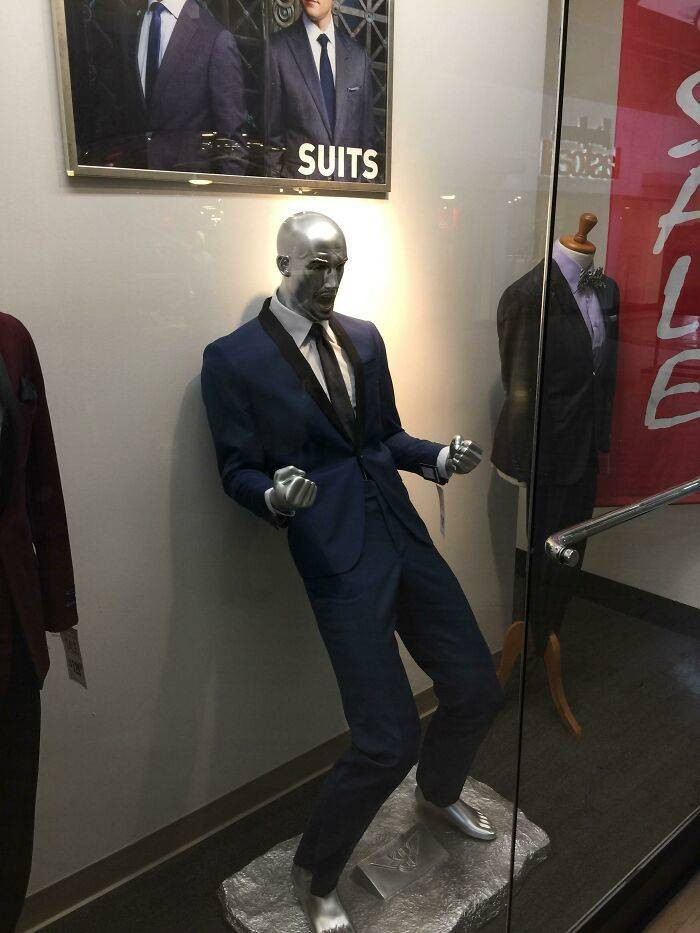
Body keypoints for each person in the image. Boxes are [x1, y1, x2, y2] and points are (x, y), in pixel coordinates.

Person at [201, 212, 503, 933]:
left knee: (475, 685)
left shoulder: (363, 336)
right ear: (283, 263)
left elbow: (382, 436)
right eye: (318, 265)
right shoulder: (233, 359)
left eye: (340, 264)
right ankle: (315, 870)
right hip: (337, 555)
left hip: (402, 532)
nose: (332, 279)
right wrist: (273, 497)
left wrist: (435, 457)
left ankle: (437, 793)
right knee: (387, 737)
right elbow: (236, 469)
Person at [0, 313, 78, 933]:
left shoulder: (11, 339)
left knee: (10, 817)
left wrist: (58, 608)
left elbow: (39, 480)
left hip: (11, 626)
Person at [92, 0, 248, 174]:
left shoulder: (215, 38)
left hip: (189, 186)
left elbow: (232, 144)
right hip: (129, 183)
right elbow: (114, 116)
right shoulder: (127, 27)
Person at [264, 0, 377, 180]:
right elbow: (271, 141)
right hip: (296, 189)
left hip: (349, 190)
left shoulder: (358, 57)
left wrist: (364, 187)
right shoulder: (278, 49)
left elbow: (366, 141)